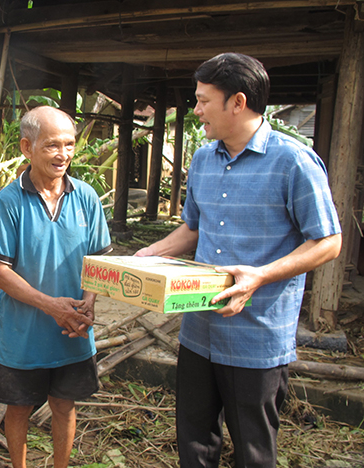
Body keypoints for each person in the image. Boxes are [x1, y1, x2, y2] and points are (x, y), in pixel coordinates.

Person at [135, 53, 342, 467]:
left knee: (252, 448)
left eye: (203, 100)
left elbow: (328, 242)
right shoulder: (202, 160)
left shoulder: (293, 161)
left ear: (238, 102)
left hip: (257, 335)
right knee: (194, 440)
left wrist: (260, 276)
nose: (195, 111)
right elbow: (193, 229)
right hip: (199, 328)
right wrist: (148, 254)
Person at [0, 106, 112, 468]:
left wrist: (87, 304)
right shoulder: (9, 201)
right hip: (24, 335)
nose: (64, 154)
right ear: (27, 147)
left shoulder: (86, 196)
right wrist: (51, 306)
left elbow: (98, 261)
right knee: (19, 407)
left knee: (64, 405)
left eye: (69, 145)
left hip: (72, 331)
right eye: (53, 145)